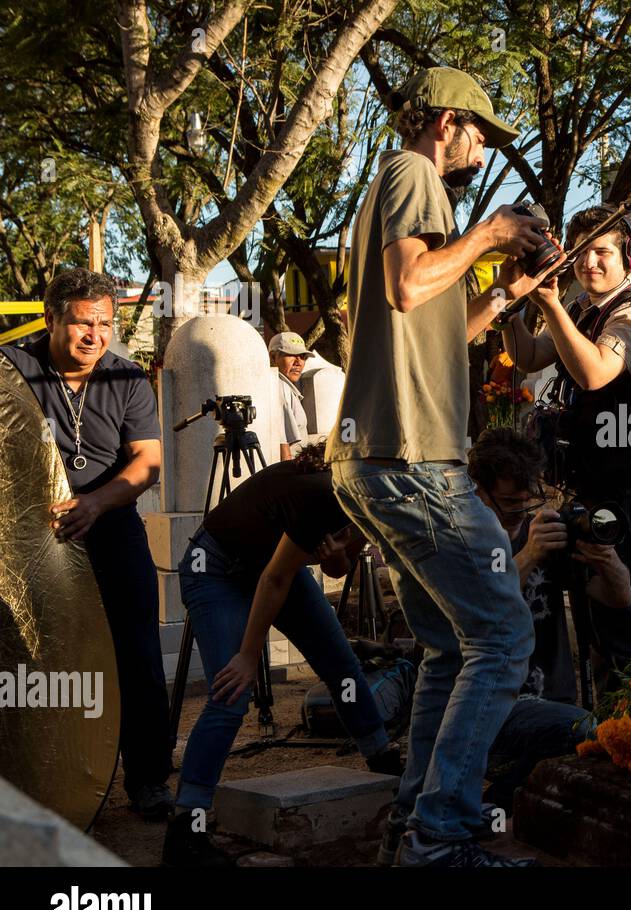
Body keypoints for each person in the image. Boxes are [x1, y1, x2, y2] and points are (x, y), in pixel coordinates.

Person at [326, 66, 555, 868]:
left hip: (376, 459)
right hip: (413, 460)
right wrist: (488, 235)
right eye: (481, 134)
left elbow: (429, 324)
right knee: (502, 631)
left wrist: (502, 295)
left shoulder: (395, 187)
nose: (480, 151)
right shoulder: (415, 172)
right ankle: (442, 834)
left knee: (451, 649)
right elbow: (406, 284)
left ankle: (411, 823)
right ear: (448, 120)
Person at [375, 428, 616, 864]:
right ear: (477, 492)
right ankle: (469, 814)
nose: (519, 515)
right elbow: (467, 628)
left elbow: (619, 600)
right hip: (482, 708)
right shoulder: (457, 547)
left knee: (588, 732)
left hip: (542, 702)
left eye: (528, 503)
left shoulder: (544, 531)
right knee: (582, 728)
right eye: (508, 505)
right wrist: (526, 557)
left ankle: (463, 810)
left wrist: (607, 560)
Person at [163, 441, 401, 866]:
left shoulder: (367, 496)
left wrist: (334, 560)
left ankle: (382, 759)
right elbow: (273, 579)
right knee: (230, 692)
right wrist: (249, 656)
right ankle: (186, 828)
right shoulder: (322, 492)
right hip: (217, 568)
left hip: (274, 568)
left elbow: (334, 566)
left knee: (341, 666)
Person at [0, 267, 174, 820]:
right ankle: (38, 782)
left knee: (139, 654)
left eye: (104, 324)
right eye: (81, 323)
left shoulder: (126, 378)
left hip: (111, 521)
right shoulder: (11, 369)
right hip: (28, 533)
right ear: (51, 318)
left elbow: (147, 463)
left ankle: (147, 780)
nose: (94, 335)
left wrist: (97, 503)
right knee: (31, 659)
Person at [501, 205, 631, 687]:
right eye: (581, 253)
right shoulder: (582, 308)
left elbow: (595, 372)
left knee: (623, 610)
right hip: (589, 486)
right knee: (595, 614)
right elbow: (530, 354)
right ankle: (609, 721)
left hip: (625, 491)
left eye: (602, 252)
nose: (589, 263)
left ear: (627, 259)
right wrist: (512, 303)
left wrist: (551, 304)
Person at [268, 331, 313, 461]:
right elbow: (283, 442)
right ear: (273, 357)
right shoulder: (279, 386)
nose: (298, 362)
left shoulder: (285, 386)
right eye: (291, 355)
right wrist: (288, 480)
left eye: (303, 356)